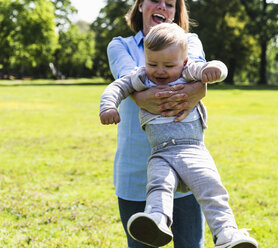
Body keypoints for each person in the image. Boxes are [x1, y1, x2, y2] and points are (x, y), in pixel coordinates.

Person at [101, 23, 258, 248]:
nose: (160, 71)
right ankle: (157, 221)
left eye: (168, 65)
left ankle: (227, 233)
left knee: (211, 187)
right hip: (161, 153)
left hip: (192, 149)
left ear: (183, 63)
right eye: (152, 63)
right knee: (158, 186)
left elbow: (211, 67)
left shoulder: (188, 71)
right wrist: (108, 107)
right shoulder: (142, 76)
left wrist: (215, 71)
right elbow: (117, 87)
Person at [107, 1, 207, 247]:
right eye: (155, 0)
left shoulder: (190, 41)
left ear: (175, 12)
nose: (162, 6)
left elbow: (198, 76)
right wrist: (189, 90)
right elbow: (129, 79)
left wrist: (199, 88)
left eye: (170, 4)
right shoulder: (121, 46)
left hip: (186, 170)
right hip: (136, 174)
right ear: (141, 6)